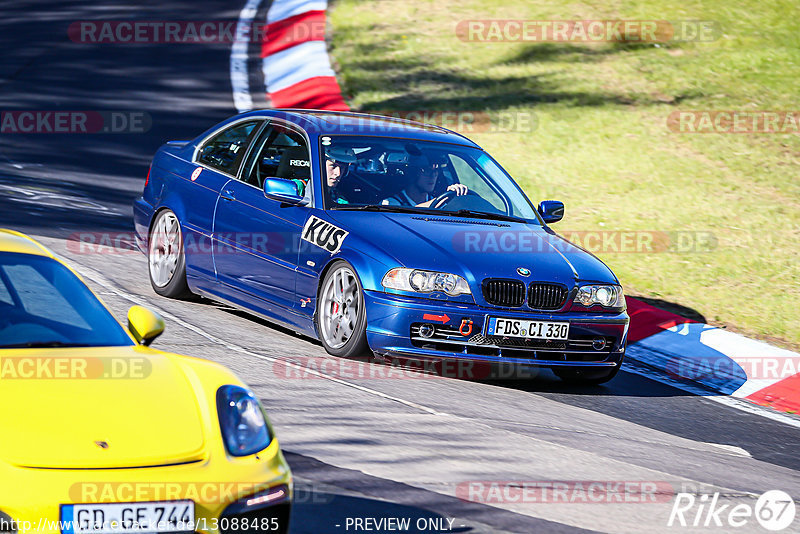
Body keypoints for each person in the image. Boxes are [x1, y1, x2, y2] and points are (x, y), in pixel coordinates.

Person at [381, 157, 467, 207]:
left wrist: (456, 198)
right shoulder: (391, 203)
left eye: (436, 170)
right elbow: (408, 213)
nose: (433, 175)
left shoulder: (438, 201)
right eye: (426, 170)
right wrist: (443, 200)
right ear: (412, 173)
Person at [291, 145, 356, 205]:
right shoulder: (297, 187)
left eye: (342, 168)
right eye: (333, 166)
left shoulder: (341, 201)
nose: (338, 173)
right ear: (320, 166)